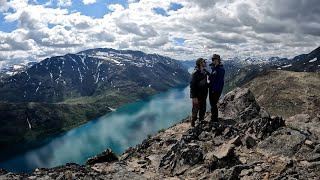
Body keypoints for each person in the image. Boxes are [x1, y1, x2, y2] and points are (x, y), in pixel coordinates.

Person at [190, 58, 209, 127]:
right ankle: (193, 122)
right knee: (195, 111)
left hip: (203, 95)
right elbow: (192, 86)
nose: (205, 62)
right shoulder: (195, 73)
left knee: (203, 110)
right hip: (197, 96)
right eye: (204, 61)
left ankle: (201, 122)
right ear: (200, 63)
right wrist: (194, 97)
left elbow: (205, 82)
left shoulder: (204, 71)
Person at [208, 54, 225, 122]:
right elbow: (213, 78)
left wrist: (214, 89)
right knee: (212, 103)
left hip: (216, 90)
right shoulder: (215, 68)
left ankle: (214, 118)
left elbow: (220, 81)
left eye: (215, 59)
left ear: (218, 60)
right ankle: (214, 117)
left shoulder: (220, 69)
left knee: (213, 103)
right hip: (212, 89)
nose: (213, 60)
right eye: (212, 59)